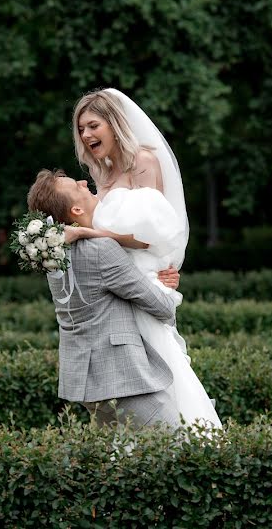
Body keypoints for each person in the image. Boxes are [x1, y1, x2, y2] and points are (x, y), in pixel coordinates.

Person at [65, 87, 222, 429]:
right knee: (126, 376)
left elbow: (152, 235)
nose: (86, 135)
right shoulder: (101, 173)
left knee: (163, 365)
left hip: (141, 283)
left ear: (113, 122)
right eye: (81, 129)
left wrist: (89, 234)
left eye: (93, 125)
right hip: (115, 289)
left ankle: (188, 438)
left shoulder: (143, 162)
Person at [27, 169, 182, 430]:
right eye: (77, 186)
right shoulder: (100, 250)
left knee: (122, 462)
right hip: (122, 378)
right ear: (75, 211)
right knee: (182, 446)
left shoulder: (52, 255)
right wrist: (163, 285)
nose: (84, 182)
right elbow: (163, 308)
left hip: (85, 381)